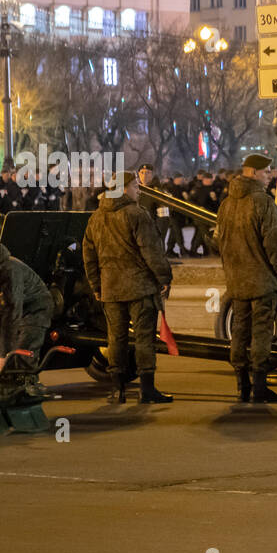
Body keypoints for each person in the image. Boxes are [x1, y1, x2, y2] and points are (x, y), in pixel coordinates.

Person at [82, 170, 174, 404]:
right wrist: (164, 278)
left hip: (111, 289)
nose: (139, 190)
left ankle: (117, 389)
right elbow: (151, 251)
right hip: (140, 288)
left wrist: (95, 285)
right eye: (134, 186)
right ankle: (147, 389)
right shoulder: (137, 214)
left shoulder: (96, 218)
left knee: (116, 339)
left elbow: (88, 256)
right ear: (122, 189)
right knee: (144, 339)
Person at [215, 153, 277, 404]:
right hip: (262, 281)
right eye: (267, 171)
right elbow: (275, 244)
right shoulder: (263, 202)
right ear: (253, 173)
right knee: (261, 333)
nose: (270, 176)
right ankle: (259, 385)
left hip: (236, 281)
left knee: (239, 332)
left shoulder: (226, 204)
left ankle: (242, 384)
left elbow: (220, 242)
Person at [0, 242, 54, 375]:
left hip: (35, 309)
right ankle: (4, 388)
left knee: (21, 354)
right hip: (7, 314)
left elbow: (12, 312)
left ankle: (26, 385)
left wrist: (5, 355)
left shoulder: (9, 270)